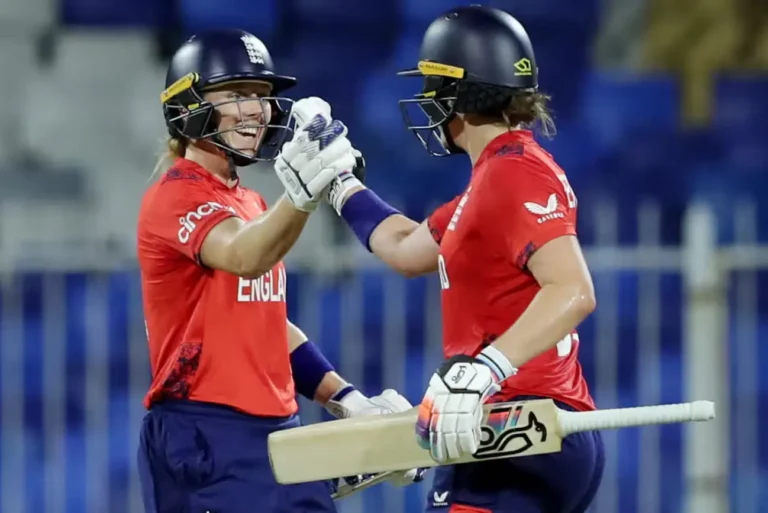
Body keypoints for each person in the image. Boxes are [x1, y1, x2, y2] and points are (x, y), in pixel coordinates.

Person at [325, 6, 605, 513]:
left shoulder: (512, 174)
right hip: (511, 426)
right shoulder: (495, 179)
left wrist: (480, 372)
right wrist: (339, 185)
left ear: (461, 94)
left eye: (435, 86)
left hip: (520, 428)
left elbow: (572, 290)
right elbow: (407, 249)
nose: (428, 101)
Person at [136, 29, 417, 513]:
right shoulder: (174, 193)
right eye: (237, 94)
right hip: (204, 433)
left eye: (262, 96)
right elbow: (245, 256)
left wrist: (347, 400)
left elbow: (267, 323)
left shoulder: (251, 201)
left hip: (270, 429)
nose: (256, 110)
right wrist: (305, 193)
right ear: (189, 104)